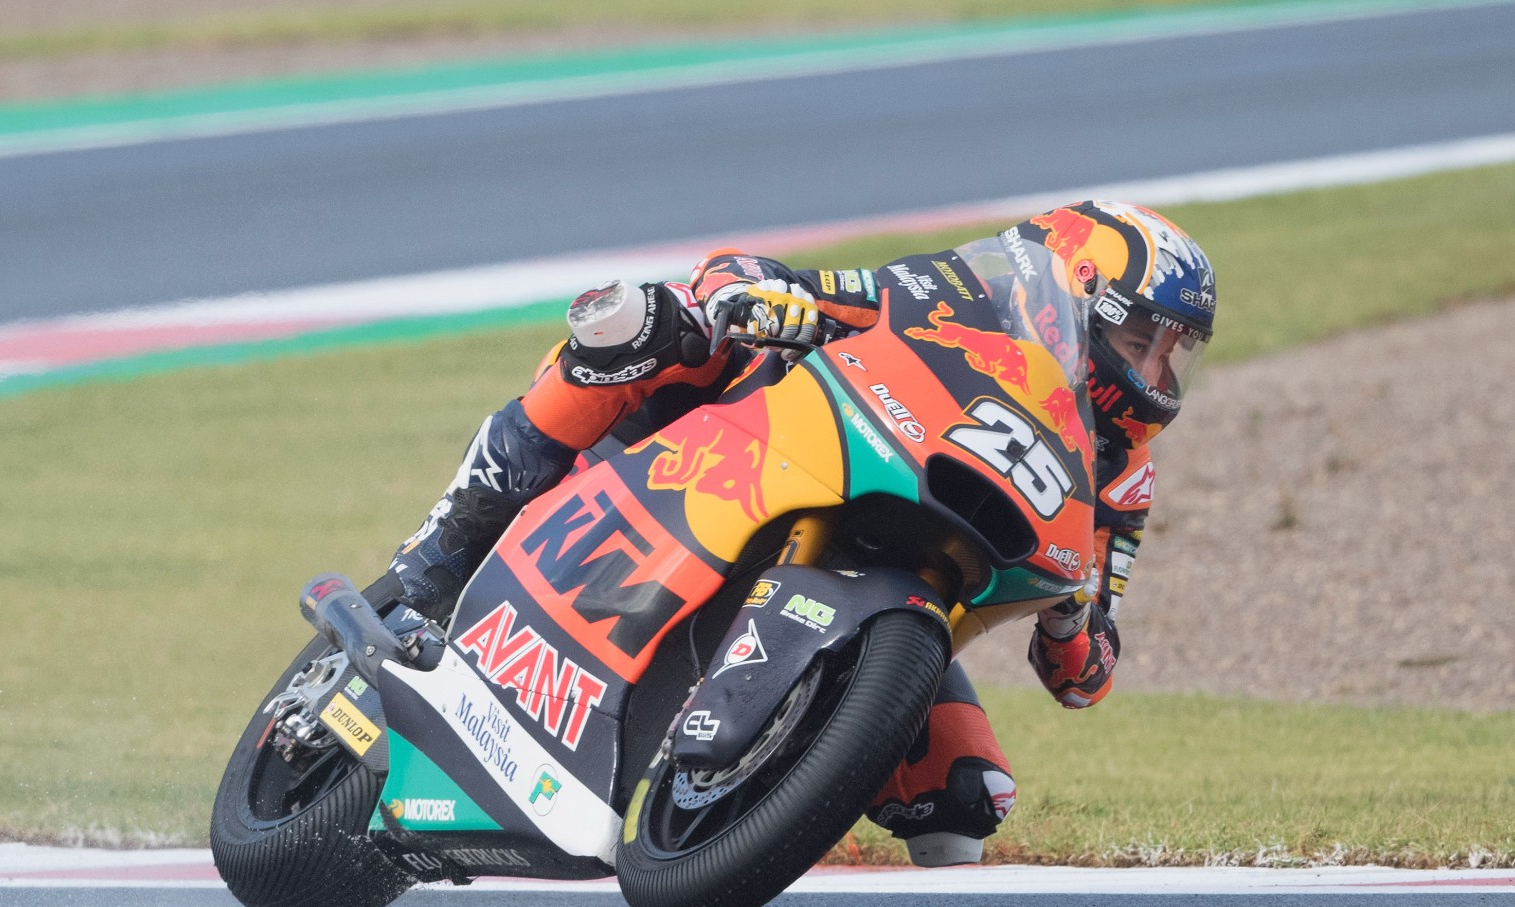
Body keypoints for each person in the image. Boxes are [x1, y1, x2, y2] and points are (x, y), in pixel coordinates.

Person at [362, 200, 1217, 867]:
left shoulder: (1121, 479)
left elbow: (1085, 677)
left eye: (1173, 354)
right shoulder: (952, 295)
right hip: (753, 454)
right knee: (644, 325)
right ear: (1065, 293)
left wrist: (1070, 618)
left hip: (897, 589)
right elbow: (790, 279)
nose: (1154, 375)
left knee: (968, 802)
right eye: (1138, 339)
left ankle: (757, 791)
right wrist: (749, 294)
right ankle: (440, 553)